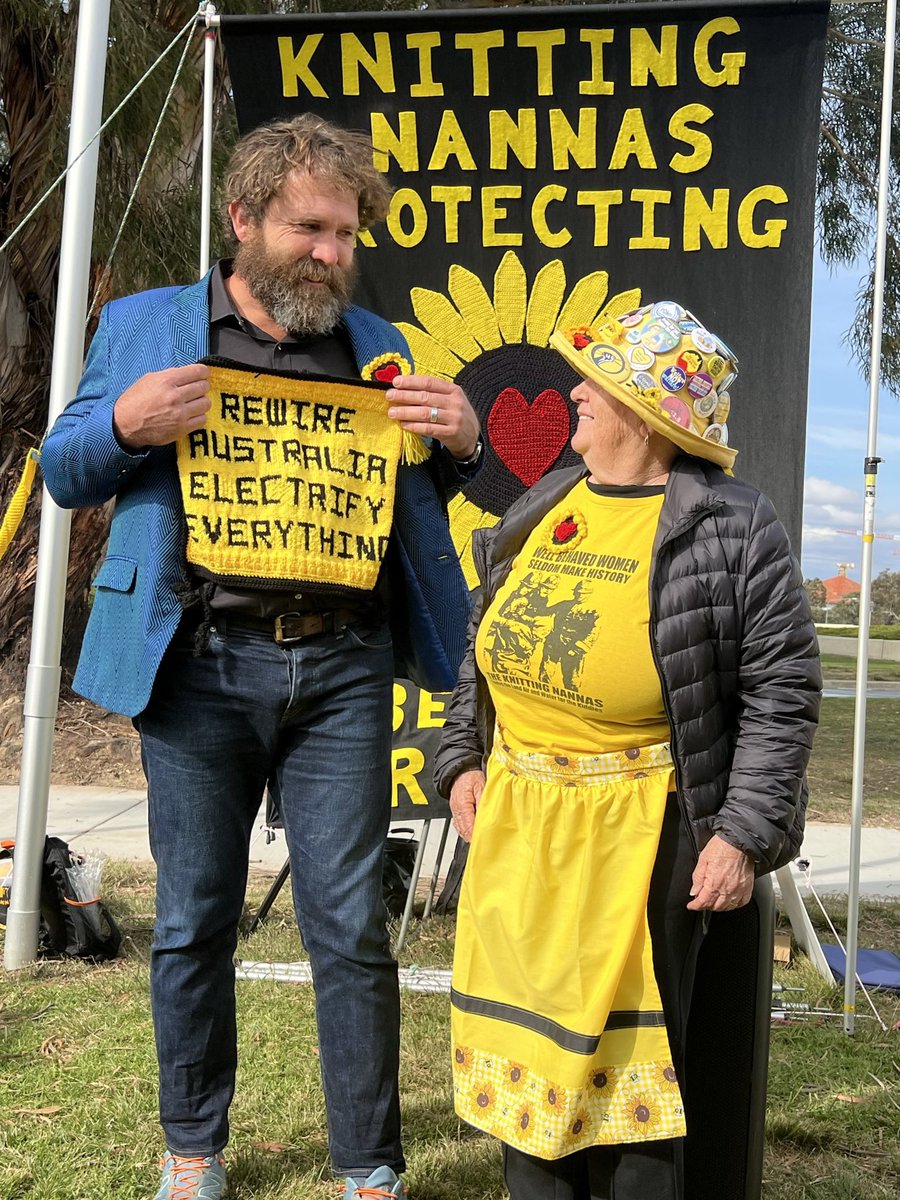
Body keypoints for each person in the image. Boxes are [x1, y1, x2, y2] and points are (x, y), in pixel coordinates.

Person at [41, 115, 481, 1200]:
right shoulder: (147, 326)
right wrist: (129, 423)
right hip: (196, 663)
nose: (330, 251)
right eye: (308, 226)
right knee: (192, 920)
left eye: (346, 231)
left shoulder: (379, 343)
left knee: (352, 928)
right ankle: (193, 1151)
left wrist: (465, 442)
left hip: (342, 668)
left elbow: (415, 494)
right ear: (242, 222)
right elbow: (64, 467)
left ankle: (369, 1170)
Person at [434, 301, 821, 1200]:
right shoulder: (548, 500)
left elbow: (781, 688)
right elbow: (485, 644)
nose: (574, 394)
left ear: (648, 413)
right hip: (524, 829)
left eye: (596, 385)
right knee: (528, 1048)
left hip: (645, 832)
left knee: (632, 1066)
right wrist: (463, 757)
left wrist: (744, 833)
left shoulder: (731, 523)